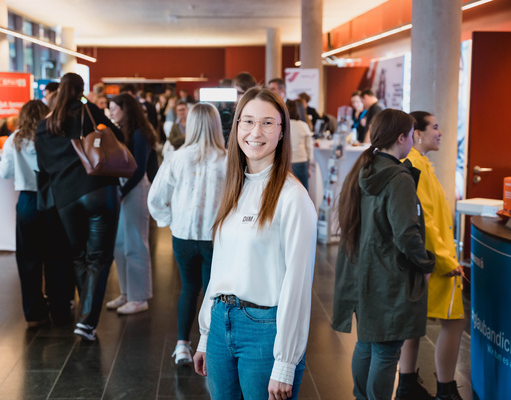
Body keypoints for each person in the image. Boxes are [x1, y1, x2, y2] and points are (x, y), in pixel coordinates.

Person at [194, 86, 318, 400]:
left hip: (265, 331)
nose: (255, 132)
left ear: (281, 132)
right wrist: (206, 335)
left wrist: (285, 363)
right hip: (222, 323)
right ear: (236, 127)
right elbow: (221, 266)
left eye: (267, 123)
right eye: (247, 122)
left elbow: (298, 284)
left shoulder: (292, 197)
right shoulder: (235, 188)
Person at [332, 109, 436, 400]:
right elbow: (406, 234)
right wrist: (426, 261)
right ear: (401, 137)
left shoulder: (364, 169)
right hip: (390, 277)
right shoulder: (398, 178)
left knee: (367, 343)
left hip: (364, 272)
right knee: (387, 350)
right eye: (412, 133)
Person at [35, 72, 124, 341]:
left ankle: (86, 316)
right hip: (98, 191)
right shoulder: (89, 111)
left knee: (80, 256)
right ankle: (87, 321)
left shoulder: (45, 125)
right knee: (99, 257)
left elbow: (43, 167)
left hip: (65, 198)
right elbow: (119, 136)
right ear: (80, 90)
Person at [148, 103, 227, 365]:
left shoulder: (178, 158)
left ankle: (182, 345)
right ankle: (209, 346)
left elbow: (156, 198)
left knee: (188, 288)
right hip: (216, 237)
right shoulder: (227, 159)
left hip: (183, 236)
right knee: (211, 292)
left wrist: (170, 221)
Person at [396, 112, 466, 400]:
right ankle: (446, 389)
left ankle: (407, 384)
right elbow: (425, 220)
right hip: (435, 261)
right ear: (418, 133)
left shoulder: (419, 163)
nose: (440, 133)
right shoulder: (416, 165)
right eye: (435, 127)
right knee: (454, 321)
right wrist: (447, 261)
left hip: (426, 259)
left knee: (415, 322)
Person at [0, 100, 75, 328]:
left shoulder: (14, 140)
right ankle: (60, 311)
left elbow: (5, 172)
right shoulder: (53, 136)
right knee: (57, 257)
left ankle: (34, 314)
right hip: (52, 201)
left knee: (28, 260)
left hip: (27, 202)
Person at [106, 93, 158, 315]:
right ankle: (127, 292)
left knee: (135, 244)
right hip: (124, 189)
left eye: (114, 109)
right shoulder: (125, 132)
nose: (112, 113)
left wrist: (122, 192)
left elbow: (138, 170)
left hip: (134, 190)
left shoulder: (140, 134)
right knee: (120, 245)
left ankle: (139, 297)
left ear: (125, 109)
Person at [286, 99, 313, 191]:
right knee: (303, 190)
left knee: (288, 190)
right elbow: (309, 147)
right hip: (301, 160)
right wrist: (309, 166)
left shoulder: (283, 126)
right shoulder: (303, 125)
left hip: (287, 161)